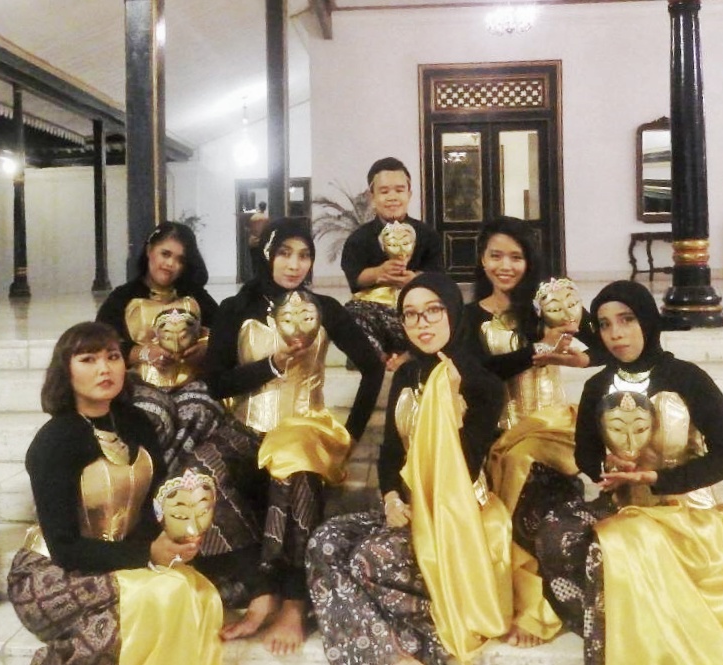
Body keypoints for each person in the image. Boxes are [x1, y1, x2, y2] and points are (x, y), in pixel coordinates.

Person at [515, 281, 723, 664]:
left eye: (627, 320)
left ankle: (621, 643)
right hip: (623, 503)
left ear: (647, 321)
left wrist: (658, 480)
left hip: (684, 512)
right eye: (605, 325)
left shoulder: (687, 378)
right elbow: (586, 454)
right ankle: (603, 619)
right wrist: (607, 466)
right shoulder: (597, 385)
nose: (616, 333)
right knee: (555, 530)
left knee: (614, 544)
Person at [307, 272, 511, 665]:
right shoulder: (406, 373)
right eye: (411, 314)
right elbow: (389, 453)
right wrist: (390, 498)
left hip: (455, 517)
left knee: (367, 558)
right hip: (407, 510)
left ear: (453, 314)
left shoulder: (482, 384)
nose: (422, 323)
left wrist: (452, 403)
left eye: (433, 311)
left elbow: (463, 466)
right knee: (325, 541)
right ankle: (392, 655)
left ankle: (416, 649)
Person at [204, 216, 384, 655]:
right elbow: (216, 382)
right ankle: (261, 588)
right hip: (248, 427)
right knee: (197, 476)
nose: (294, 264)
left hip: (304, 427)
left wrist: (350, 435)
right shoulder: (236, 308)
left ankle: (294, 602)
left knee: (295, 469)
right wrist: (272, 365)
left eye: (304, 255)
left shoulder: (324, 308)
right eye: (284, 253)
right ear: (267, 254)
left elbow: (373, 367)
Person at [7, 321, 224, 665]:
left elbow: (153, 503)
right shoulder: (54, 441)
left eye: (112, 357)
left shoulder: (135, 422)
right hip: (55, 573)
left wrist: (175, 535)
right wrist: (147, 553)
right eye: (88, 360)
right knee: (163, 595)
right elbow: (64, 547)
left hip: (119, 555)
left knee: (198, 592)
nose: (104, 368)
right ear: (65, 372)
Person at [457, 217, 604, 648]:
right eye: (496, 256)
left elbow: (601, 343)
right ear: (482, 259)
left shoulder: (547, 303)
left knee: (545, 501)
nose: (505, 266)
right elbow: (481, 371)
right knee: (513, 502)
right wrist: (538, 351)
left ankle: (545, 608)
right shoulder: (469, 316)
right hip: (502, 438)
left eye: (516, 257)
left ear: (529, 261)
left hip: (552, 432)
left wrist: (576, 357)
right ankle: (518, 604)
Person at [96, 221, 224, 472]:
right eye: (165, 254)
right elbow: (101, 344)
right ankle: (152, 481)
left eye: (180, 259)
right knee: (154, 413)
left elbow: (225, 335)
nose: (170, 264)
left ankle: (169, 482)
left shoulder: (196, 297)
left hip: (190, 381)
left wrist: (205, 349)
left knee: (201, 409)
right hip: (140, 383)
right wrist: (144, 353)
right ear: (149, 250)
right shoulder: (122, 298)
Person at [341, 157, 444, 370]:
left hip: (414, 311)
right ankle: (377, 359)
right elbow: (355, 278)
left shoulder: (427, 235)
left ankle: (408, 357)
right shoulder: (358, 239)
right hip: (376, 313)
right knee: (351, 312)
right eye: (384, 191)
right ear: (372, 197)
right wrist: (378, 273)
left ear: (409, 194)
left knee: (445, 313)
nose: (392, 197)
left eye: (399, 190)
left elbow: (438, 277)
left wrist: (415, 280)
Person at [248, 201, 269, 277]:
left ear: (259, 207)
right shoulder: (266, 218)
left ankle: (255, 277)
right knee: (262, 262)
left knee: (254, 262)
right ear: (265, 208)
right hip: (262, 242)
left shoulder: (253, 217)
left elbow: (250, 229)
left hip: (253, 242)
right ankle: (261, 277)